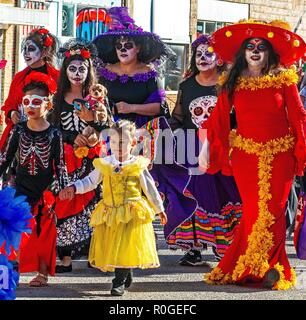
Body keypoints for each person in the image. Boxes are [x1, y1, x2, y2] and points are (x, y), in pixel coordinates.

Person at [200, 19, 306, 290]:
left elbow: (299, 119)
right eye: (250, 47)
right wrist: (206, 150)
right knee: (253, 211)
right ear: (243, 53)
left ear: (269, 53)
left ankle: (270, 266)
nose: (255, 50)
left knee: (275, 209)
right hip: (246, 157)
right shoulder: (232, 81)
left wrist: (302, 153)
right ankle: (251, 265)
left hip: (281, 155)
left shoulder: (284, 79)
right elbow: (218, 120)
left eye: (261, 47)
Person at [59, 120, 167, 296]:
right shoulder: (106, 163)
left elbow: (149, 188)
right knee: (117, 247)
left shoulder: (137, 165)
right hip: (110, 211)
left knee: (125, 244)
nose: (118, 146)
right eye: (115, 142)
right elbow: (90, 182)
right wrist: (74, 188)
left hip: (132, 211)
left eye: (123, 142)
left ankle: (118, 281)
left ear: (132, 143)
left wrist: (159, 209)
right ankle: (125, 272)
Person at [165, 34, 242, 265]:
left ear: (219, 59)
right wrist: (168, 135)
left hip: (221, 149)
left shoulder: (228, 84)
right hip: (192, 148)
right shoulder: (186, 85)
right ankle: (195, 248)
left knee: (223, 195)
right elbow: (177, 117)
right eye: (198, 54)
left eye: (208, 53)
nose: (202, 57)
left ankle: (225, 247)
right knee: (194, 197)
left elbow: (238, 117)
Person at [0, 72, 68, 286]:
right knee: (12, 229)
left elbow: (61, 164)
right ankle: (8, 273)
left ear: (48, 105)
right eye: (26, 102)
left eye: (37, 102)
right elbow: (5, 157)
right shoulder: (18, 130)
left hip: (45, 189)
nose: (30, 106)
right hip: (19, 185)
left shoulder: (55, 134)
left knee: (43, 234)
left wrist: (63, 187)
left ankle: (42, 273)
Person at [49, 39, 108, 273]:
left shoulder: (97, 96)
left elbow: (109, 125)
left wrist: (94, 128)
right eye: (72, 69)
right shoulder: (57, 99)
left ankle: (95, 254)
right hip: (65, 158)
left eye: (81, 69)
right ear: (65, 70)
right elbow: (51, 128)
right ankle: (65, 257)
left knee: (93, 203)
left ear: (89, 70)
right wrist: (71, 137)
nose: (76, 73)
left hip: (92, 159)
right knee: (65, 201)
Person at [0, 27, 58, 152]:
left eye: (31, 49)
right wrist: (12, 113)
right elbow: (9, 104)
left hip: (47, 137)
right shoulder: (18, 77)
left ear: (44, 52)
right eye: (24, 50)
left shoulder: (57, 77)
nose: (26, 53)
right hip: (20, 136)